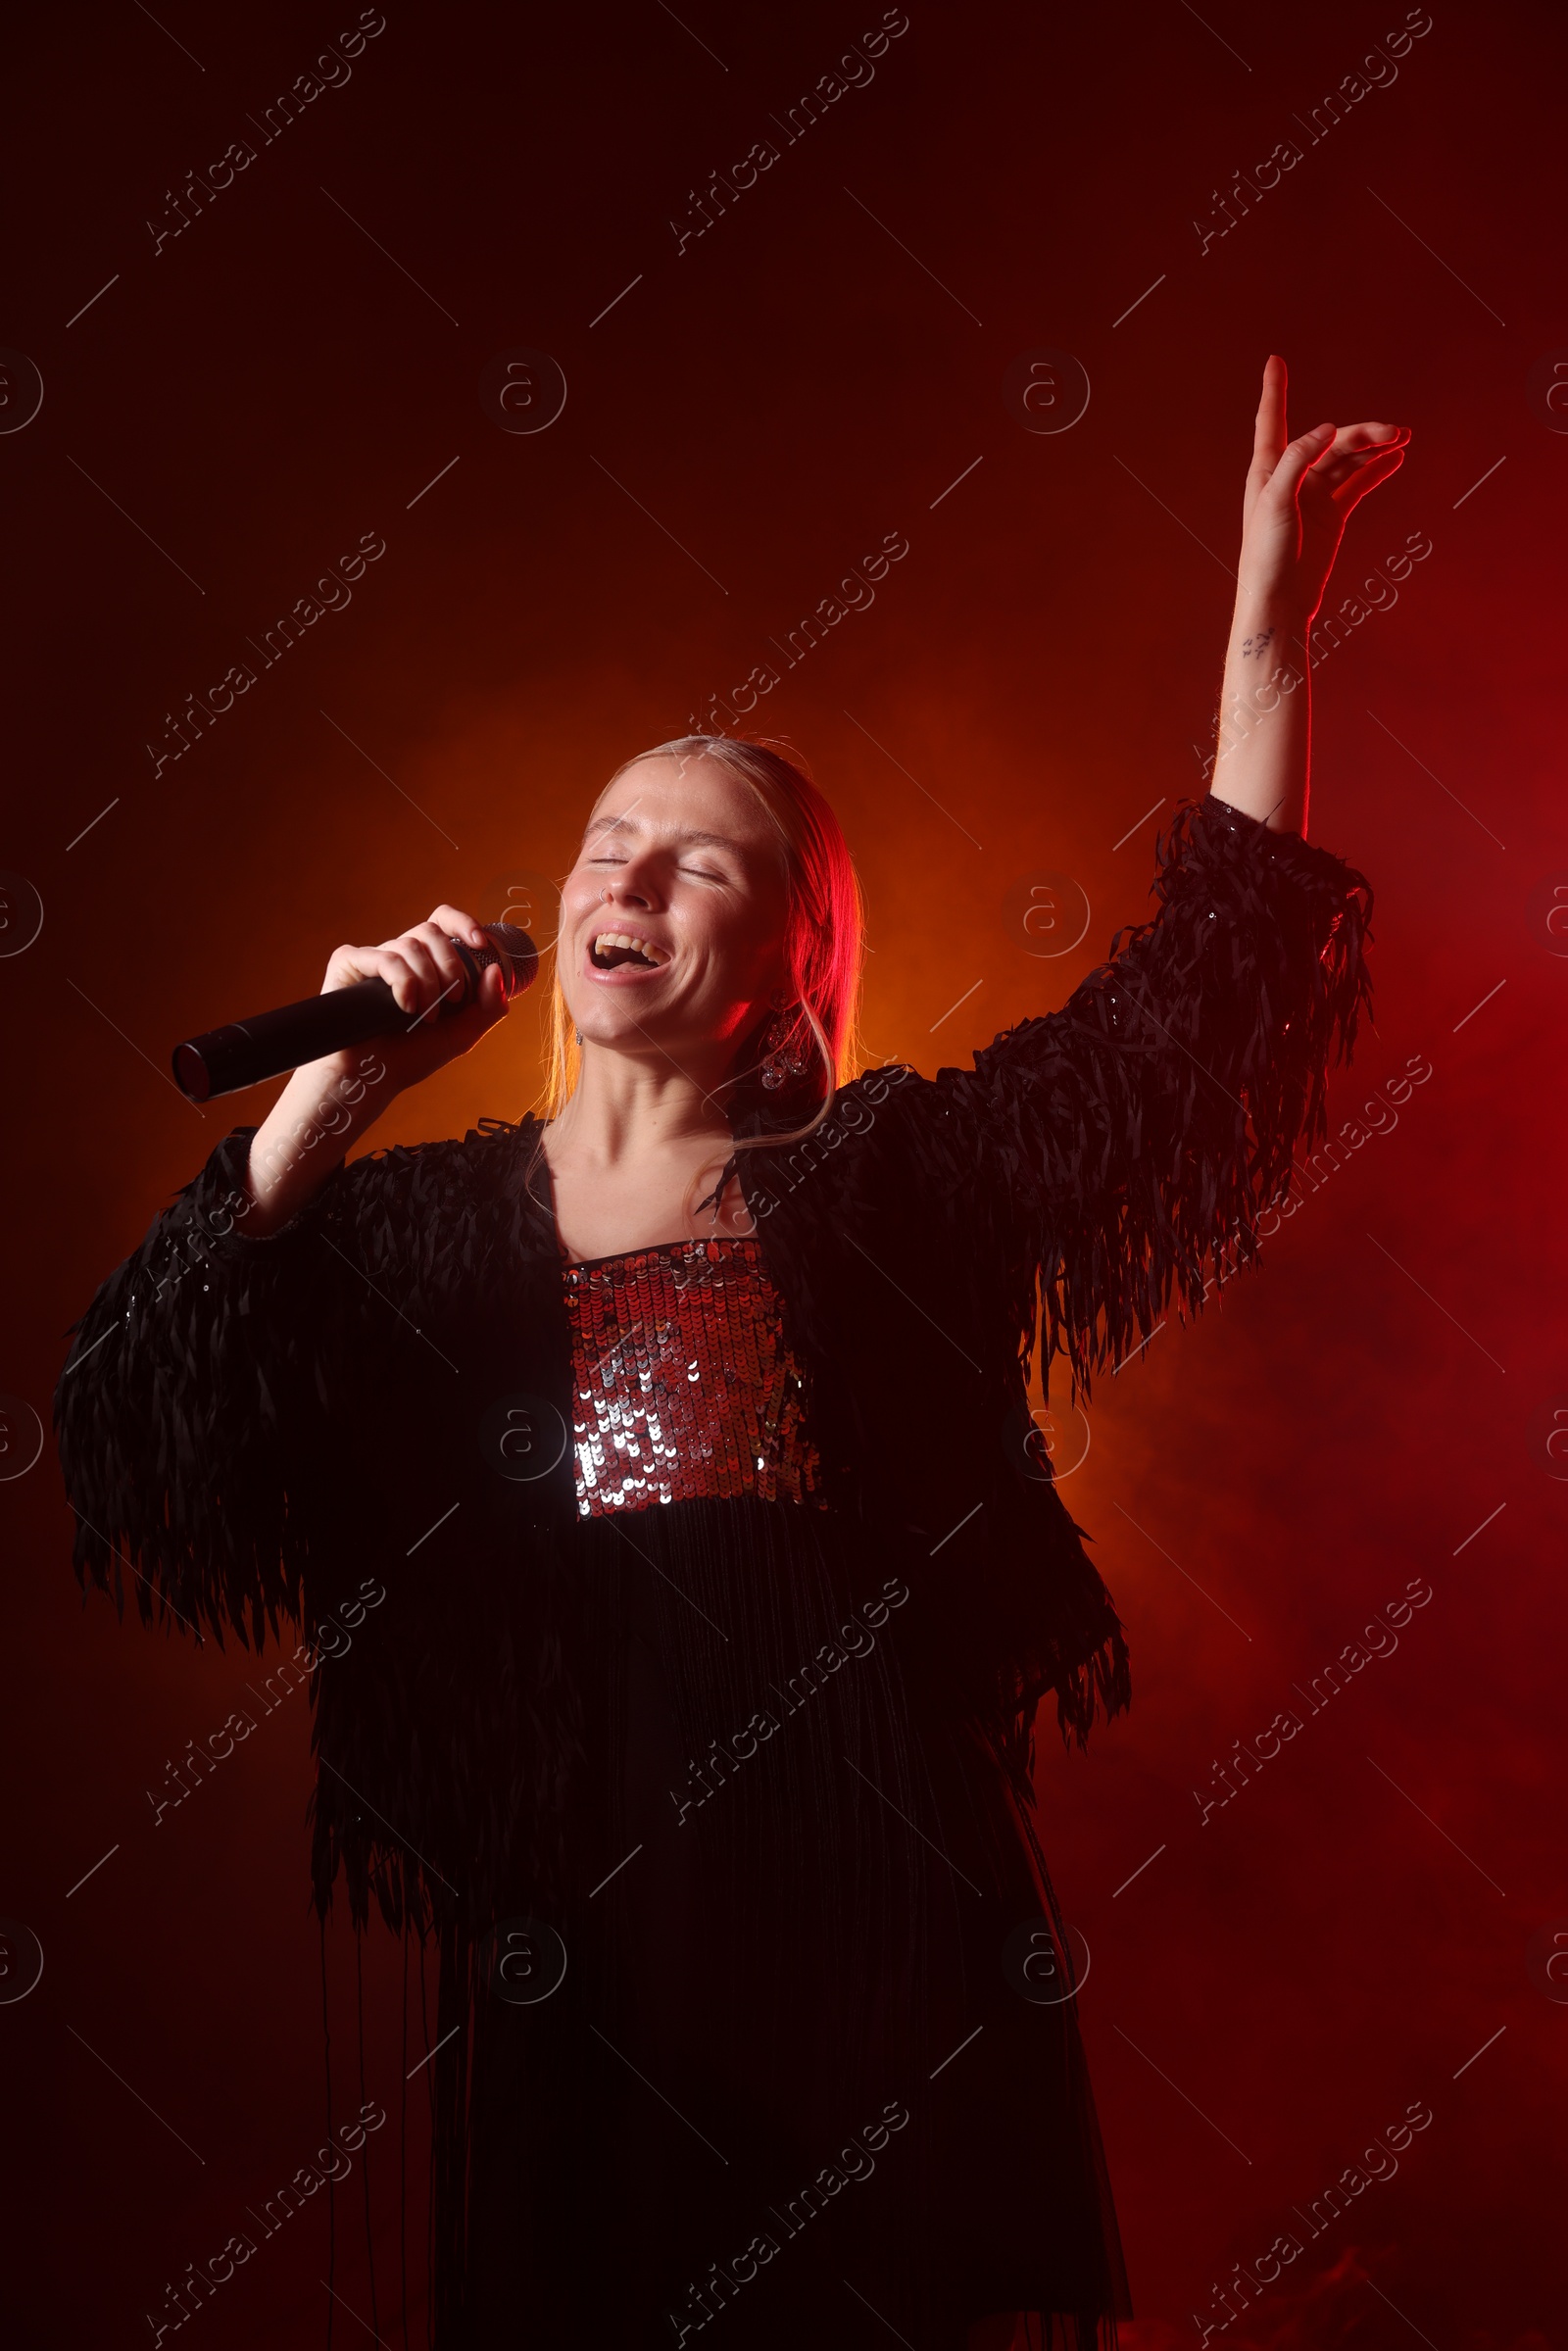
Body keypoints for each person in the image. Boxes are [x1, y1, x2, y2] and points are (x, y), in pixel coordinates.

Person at [56, 359, 1404, 2349]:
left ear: (793, 974)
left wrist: (1268, 628)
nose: (626, 875)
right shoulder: (418, 1232)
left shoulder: (881, 1181)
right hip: (573, 1978)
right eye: (607, 838)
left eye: (698, 859)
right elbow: (136, 1425)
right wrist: (327, 1100)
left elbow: (1187, 1029)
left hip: (875, 1945)